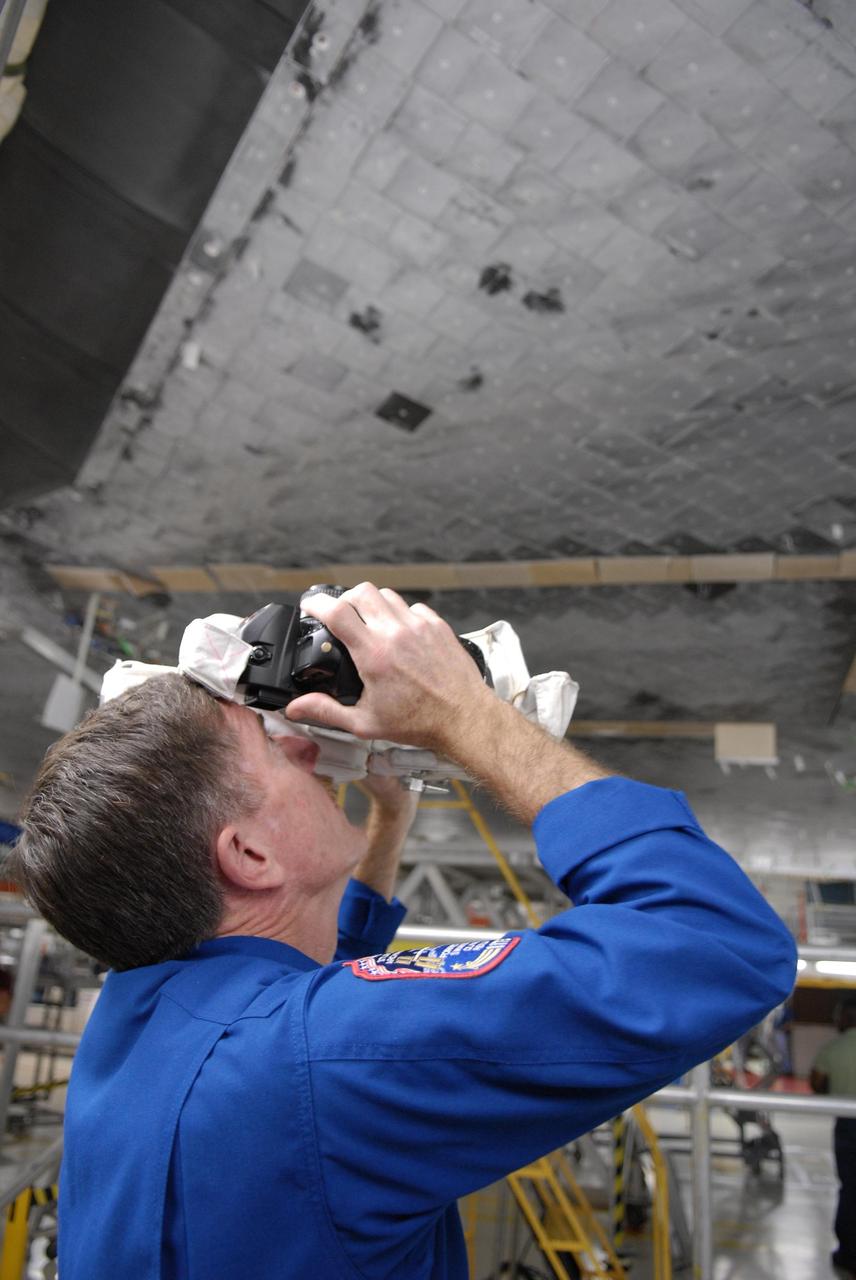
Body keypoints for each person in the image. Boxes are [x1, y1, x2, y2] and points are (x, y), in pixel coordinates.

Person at [15, 583, 797, 1280]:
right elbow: (713, 939)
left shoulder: (136, 1025)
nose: (304, 744)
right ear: (248, 855)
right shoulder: (313, 1068)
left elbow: (305, 1000)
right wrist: (465, 717)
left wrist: (389, 817)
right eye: (272, 748)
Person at [811, 994, 856, 1277]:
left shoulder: (832, 1049)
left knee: (850, 1188)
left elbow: (817, 1084)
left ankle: (849, 1254)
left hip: (848, 1126)